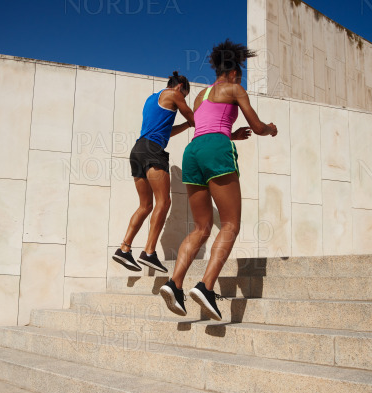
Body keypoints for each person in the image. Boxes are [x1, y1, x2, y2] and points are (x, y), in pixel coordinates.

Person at [159, 40, 278, 321]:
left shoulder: (201, 95)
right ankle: (206, 287)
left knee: (201, 227)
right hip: (215, 150)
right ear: (235, 72)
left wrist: (231, 134)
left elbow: (208, 125)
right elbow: (258, 126)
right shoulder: (235, 89)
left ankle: (174, 284)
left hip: (193, 151)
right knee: (230, 224)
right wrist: (270, 129)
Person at [112, 71, 195, 273]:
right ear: (180, 86)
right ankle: (149, 252)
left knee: (145, 205)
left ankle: (124, 248)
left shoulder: (152, 98)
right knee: (164, 201)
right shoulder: (173, 94)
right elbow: (193, 115)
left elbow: (166, 131)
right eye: (185, 95)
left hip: (138, 149)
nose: (183, 99)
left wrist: (186, 125)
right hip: (152, 151)